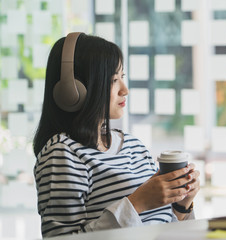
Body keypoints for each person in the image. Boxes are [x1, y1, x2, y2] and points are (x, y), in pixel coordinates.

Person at [33, 33, 200, 237]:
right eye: (113, 80)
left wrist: (182, 205)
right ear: (75, 89)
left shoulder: (134, 147)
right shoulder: (63, 154)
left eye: (123, 77)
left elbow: (161, 229)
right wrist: (137, 203)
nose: (125, 90)